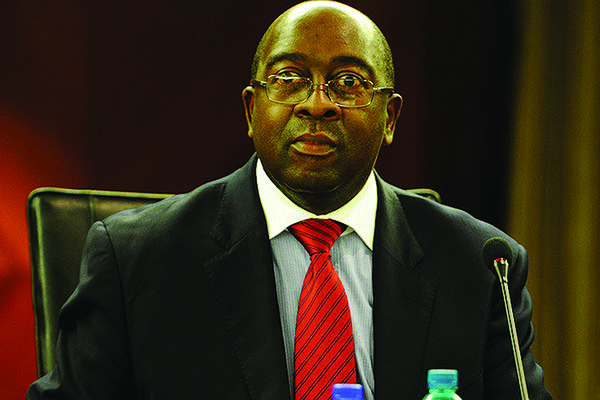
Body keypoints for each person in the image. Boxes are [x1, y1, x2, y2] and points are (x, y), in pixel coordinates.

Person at [26, 1, 552, 399]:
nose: (317, 104)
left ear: (389, 118)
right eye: (290, 78)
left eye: (348, 82)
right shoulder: (137, 259)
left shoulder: (482, 266)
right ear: (252, 111)